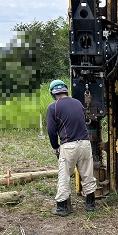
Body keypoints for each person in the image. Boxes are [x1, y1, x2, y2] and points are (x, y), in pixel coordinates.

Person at [46, 79, 97, 216]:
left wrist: (55, 147)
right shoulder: (78, 103)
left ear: (53, 93)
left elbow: (51, 131)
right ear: (65, 90)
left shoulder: (53, 107)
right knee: (87, 174)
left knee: (64, 175)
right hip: (85, 144)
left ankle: (62, 207)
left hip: (69, 146)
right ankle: (91, 204)